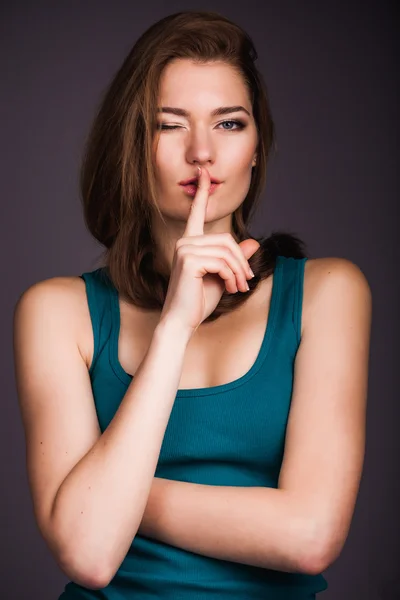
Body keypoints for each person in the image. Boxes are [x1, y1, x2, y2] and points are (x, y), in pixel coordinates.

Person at [13, 10, 372, 600]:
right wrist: (175, 328)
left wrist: (112, 499)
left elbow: (311, 537)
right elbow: (90, 555)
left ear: (257, 150)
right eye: (169, 125)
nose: (202, 152)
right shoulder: (58, 312)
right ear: (133, 144)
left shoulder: (327, 294)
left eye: (230, 124)